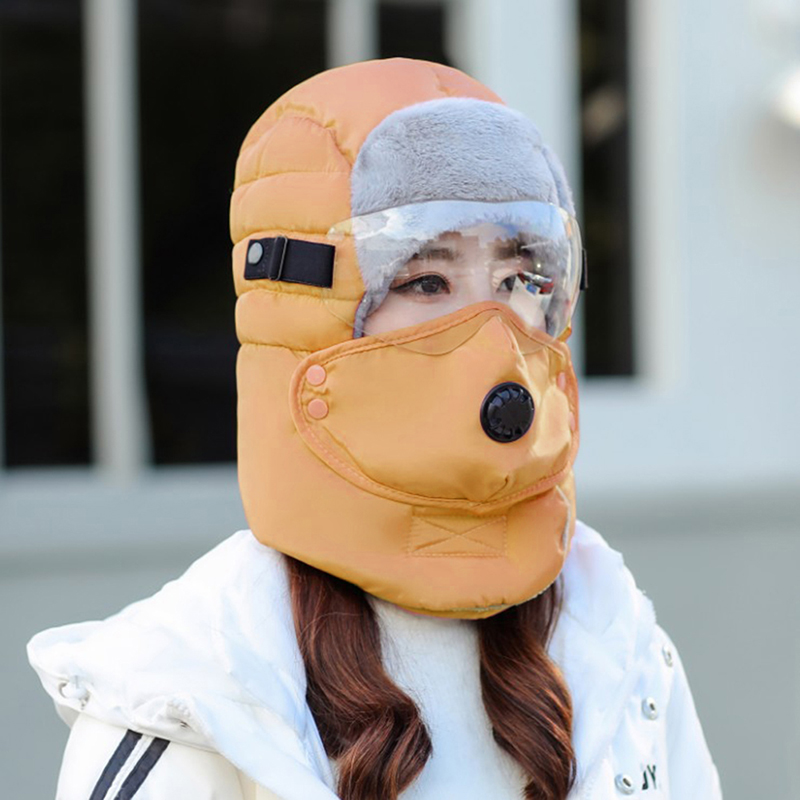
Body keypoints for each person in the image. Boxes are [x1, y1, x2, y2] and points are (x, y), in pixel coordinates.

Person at [28, 58, 723, 800]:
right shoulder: (189, 696)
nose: (492, 334)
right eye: (426, 281)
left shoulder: (613, 640)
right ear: (304, 310)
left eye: (518, 280)